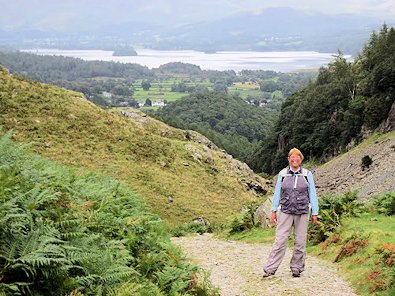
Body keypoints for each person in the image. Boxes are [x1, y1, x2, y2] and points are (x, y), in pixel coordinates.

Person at [262, 147, 319, 278]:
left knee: (300, 241)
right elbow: (277, 193)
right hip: (286, 211)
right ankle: (270, 268)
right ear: (289, 159)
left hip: (302, 211)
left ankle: (296, 268)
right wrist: (274, 210)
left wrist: (315, 212)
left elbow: (313, 194)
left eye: (297, 157)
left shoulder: (306, 174)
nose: (295, 159)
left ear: (301, 159)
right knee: (280, 240)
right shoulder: (282, 174)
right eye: (292, 157)